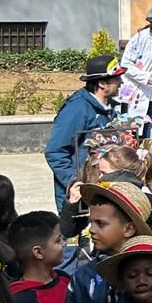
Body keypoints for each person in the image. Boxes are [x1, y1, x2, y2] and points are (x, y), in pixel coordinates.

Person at [44, 53, 126, 208]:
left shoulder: (112, 108)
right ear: (102, 83)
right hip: (79, 200)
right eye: (116, 78)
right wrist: (75, 182)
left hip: (102, 193)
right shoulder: (76, 109)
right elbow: (55, 152)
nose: (121, 82)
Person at [8, 209, 70, 303]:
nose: (64, 243)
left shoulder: (64, 279)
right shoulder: (21, 300)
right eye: (58, 241)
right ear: (38, 252)